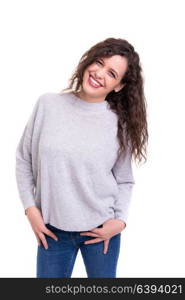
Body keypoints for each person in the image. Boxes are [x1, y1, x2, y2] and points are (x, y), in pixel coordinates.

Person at [15, 37, 148, 278]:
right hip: (52, 232)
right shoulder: (48, 104)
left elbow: (125, 180)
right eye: (99, 62)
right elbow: (24, 159)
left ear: (118, 86)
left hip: (101, 233)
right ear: (88, 62)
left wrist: (120, 221)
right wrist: (30, 209)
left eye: (111, 73)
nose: (99, 74)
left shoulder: (120, 124)